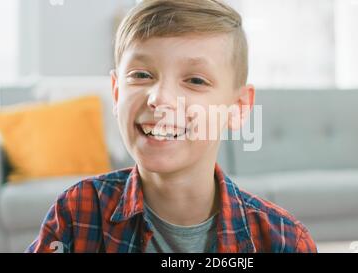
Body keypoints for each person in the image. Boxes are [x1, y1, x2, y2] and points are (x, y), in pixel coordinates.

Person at [27, 0, 317, 253]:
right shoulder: (77, 213)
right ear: (116, 94)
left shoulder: (284, 241)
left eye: (195, 80)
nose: (160, 99)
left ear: (238, 107)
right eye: (141, 75)